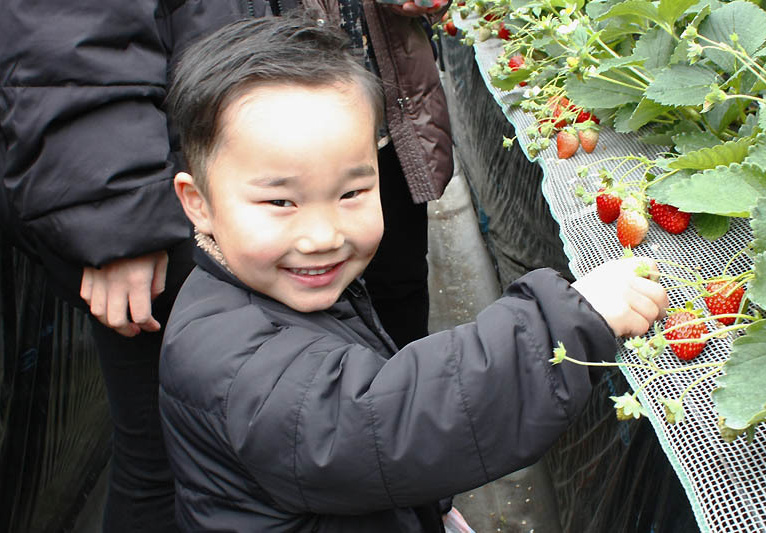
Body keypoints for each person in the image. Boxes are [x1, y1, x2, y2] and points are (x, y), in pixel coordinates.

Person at [159, 12, 669, 532]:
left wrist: (431, 506)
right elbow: (390, 422)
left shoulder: (276, 289)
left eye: (352, 192)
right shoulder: (232, 363)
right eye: (281, 201)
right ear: (198, 203)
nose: (323, 236)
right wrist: (567, 321)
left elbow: (371, 453)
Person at [1, 0, 449, 530]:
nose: (322, 238)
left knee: (373, 378)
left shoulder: (343, 214)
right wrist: (115, 214)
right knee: (167, 452)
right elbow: (66, 35)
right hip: (183, 195)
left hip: (358, 130)